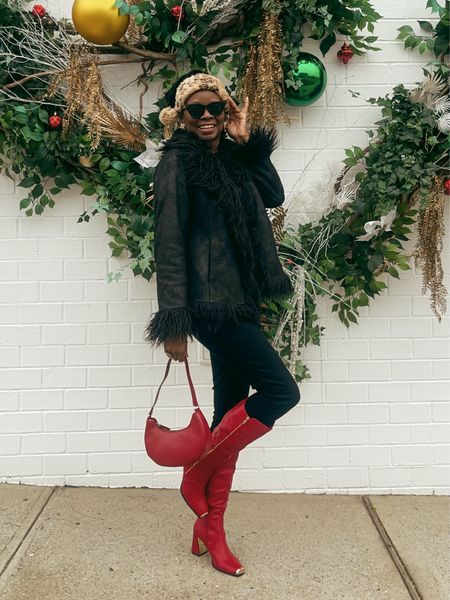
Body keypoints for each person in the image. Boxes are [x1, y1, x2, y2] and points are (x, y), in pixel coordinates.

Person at [144, 70, 301, 576]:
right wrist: (174, 322)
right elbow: (168, 243)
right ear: (182, 117)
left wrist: (248, 141)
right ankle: (199, 476)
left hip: (242, 300)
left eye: (217, 108)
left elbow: (273, 196)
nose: (208, 116)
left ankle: (211, 529)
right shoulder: (175, 166)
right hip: (212, 310)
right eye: (197, 109)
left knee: (229, 412)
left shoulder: (233, 159)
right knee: (282, 393)